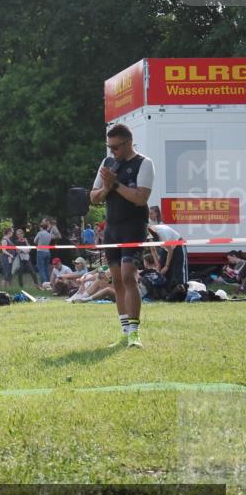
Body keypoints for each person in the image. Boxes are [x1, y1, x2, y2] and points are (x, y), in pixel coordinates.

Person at [90, 123, 154, 347]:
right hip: (112, 229)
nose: (112, 152)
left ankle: (135, 333)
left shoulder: (144, 163)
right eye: (109, 147)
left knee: (128, 276)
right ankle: (125, 331)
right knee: (116, 279)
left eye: (116, 147)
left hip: (134, 227)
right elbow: (94, 197)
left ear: (128, 143)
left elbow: (140, 198)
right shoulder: (107, 164)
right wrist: (108, 187)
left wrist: (115, 184)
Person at [147, 222, 187, 293]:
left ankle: (182, 291)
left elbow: (170, 250)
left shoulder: (162, 233)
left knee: (178, 270)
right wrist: (158, 265)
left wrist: (166, 266)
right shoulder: (148, 232)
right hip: (166, 248)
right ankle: (167, 292)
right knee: (162, 270)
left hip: (177, 244)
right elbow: (153, 249)